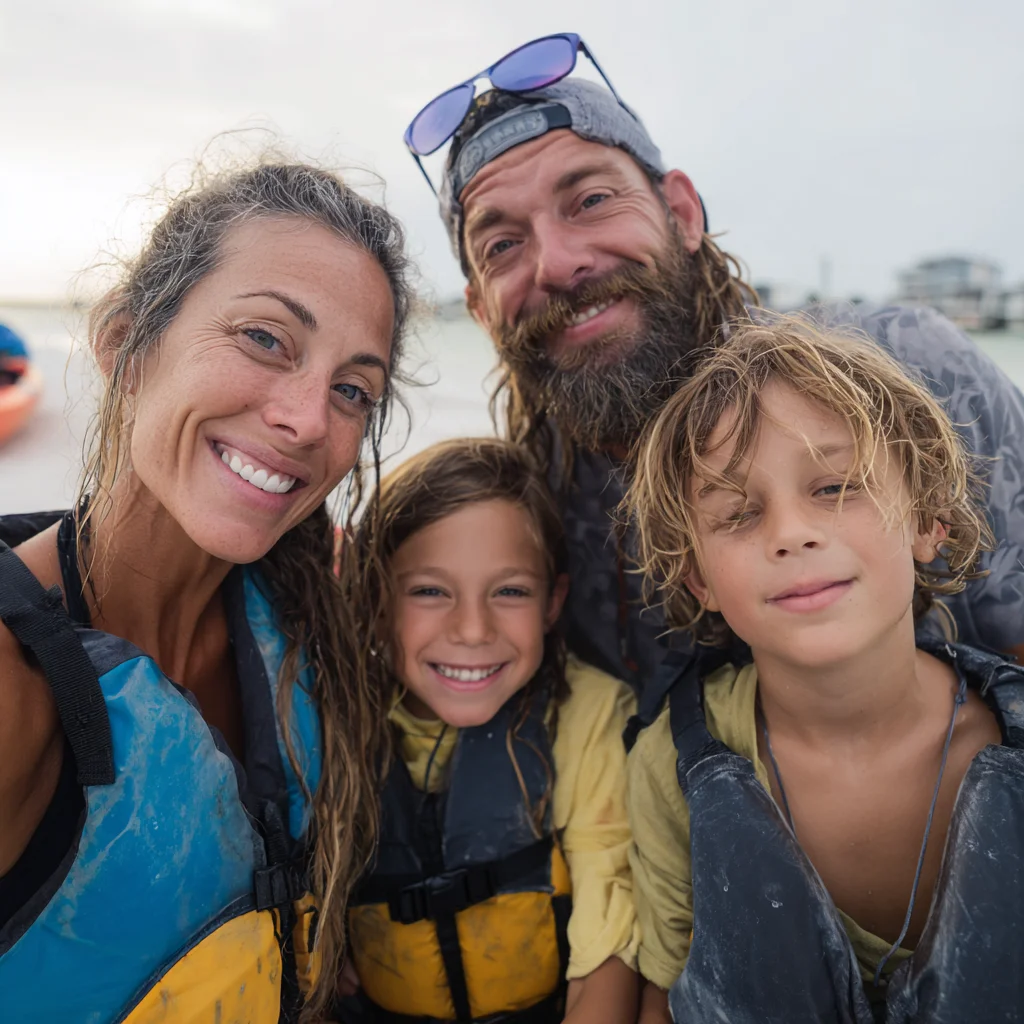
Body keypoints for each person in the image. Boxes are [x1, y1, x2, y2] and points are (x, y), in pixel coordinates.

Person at [403, 32, 1024, 719]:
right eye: (502, 245)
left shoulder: (906, 376)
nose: (555, 262)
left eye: (590, 201)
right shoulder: (532, 502)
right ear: (481, 311)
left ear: (683, 213)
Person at [0, 160, 414, 1023]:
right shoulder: (15, 691)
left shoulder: (308, 621)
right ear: (126, 344)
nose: (309, 421)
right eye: (265, 338)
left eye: (352, 390)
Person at [622, 318, 1024, 1023]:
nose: (790, 533)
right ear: (699, 579)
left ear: (929, 516)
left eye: (836, 487)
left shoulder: (1009, 735)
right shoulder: (667, 769)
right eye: (740, 513)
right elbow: (668, 987)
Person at [335, 438, 640, 1023]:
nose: (472, 630)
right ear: (374, 596)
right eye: (429, 590)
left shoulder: (587, 716)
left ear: (554, 603)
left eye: (510, 592)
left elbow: (609, 940)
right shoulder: (329, 718)